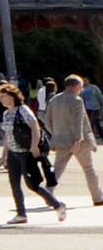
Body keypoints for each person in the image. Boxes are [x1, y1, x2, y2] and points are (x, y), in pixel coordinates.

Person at [0, 82, 67, 224]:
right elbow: (7, 136)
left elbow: (35, 127)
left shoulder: (23, 110)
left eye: (3, 96)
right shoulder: (6, 114)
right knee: (14, 184)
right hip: (13, 153)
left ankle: (57, 205)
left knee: (32, 184)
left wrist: (34, 146)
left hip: (25, 153)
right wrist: (4, 156)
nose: (1, 99)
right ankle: (21, 213)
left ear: (11, 96)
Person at [44, 72, 103, 205]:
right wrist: (77, 140)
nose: (81, 90)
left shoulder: (54, 100)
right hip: (79, 141)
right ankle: (98, 197)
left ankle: (48, 194)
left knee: (57, 169)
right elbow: (78, 122)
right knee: (89, 169)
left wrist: (56, 133)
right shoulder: (76, 100)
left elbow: (47, 121)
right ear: (75, 86)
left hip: (61, 140)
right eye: (80, 87)